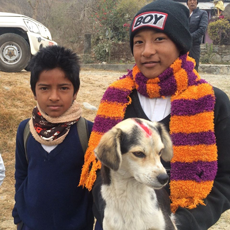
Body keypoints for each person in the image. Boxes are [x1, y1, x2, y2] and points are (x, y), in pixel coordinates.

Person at [78, 0, 230, 230]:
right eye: (139, 42)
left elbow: (226, 179)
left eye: (159, 39)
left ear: (180, 44)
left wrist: (183, 223)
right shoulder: (117, 100)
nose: (147, 51)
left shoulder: (212, 102)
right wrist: (112, 217)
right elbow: (101, 171)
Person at [12, 45, 94, 230]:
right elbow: (21, 175)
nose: (54, 97)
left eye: (63, 88)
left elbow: (96, 187)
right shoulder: (25, 130)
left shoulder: (88, 132)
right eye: (44, 88)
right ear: (34, 92)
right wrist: (19, 217)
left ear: (75, 91)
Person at [187, 0, 208, 71]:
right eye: (190, 0)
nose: (192, 2)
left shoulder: (202, 13)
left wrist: (189, 37)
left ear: (197, 2)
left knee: (193, 68)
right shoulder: (184, 14)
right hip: (182, 45)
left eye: (194, 0)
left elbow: (202, 29)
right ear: (187, 2)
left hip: (194, 45)